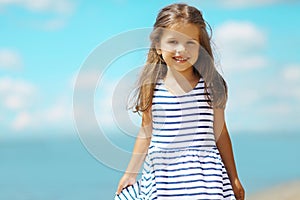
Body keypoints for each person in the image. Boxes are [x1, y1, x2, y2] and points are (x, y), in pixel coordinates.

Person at [115, 3, 245, 200]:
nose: (181, 49)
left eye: (191, 42)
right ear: (158, 46)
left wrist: (233, 178)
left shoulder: (212, 86)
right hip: (163, 174)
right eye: (173, 42)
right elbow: (146, 132)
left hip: (203, 177)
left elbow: (220, 134)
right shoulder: (151, 87)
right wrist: (130, 173)